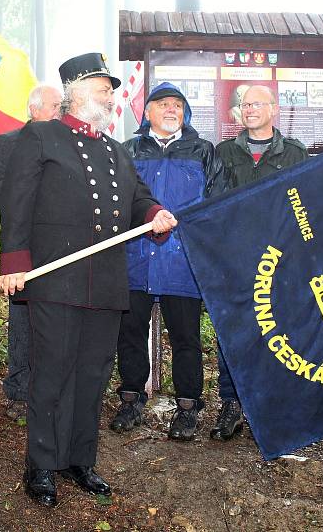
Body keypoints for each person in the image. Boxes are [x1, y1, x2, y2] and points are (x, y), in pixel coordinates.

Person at [0, 52, 177, 508]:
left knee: (92, 376)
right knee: (52, 372)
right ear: (76, 91)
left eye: (111, 89)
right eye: (103, 87)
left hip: (105, 281)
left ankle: (80, 458)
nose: (111, 95)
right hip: (56, 278)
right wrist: (13, 261)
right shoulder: (41, 136)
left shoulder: (115, 149)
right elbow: (17, 202)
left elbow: (138, 197)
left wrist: (154, 213)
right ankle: (41, 464)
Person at [111, 82, 223, 441]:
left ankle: (188, 407)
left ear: (185, 113)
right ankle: (131, 399)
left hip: (183, 262)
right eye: (162, 104)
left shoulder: (203, 151)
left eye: (177, 104)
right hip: (136, 259)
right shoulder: (127, 150)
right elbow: (118, 202)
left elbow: (215, 206)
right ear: (147, 113)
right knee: (130, 333)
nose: (170, 110)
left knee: (186, 337)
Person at [211, 84, 308, 440]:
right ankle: (232, 404)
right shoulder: (222, 152)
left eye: (256, 103)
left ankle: (275, 408)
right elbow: (213, 204)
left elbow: (306, 205)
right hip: (235, 262)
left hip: (281, 264)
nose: (249, 109)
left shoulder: (295, 154)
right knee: (232, 333)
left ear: (274, 109)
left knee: (279, 333)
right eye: (244, 104)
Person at [0, 83, 62, 422]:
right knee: (22, 321)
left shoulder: (66, 144)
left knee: (55, 320)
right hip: (21, 247)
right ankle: (18, 391)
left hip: (60, 250)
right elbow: (2, 193)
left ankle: (50, 391)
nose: (61, 111)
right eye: (56, 105)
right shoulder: (7, 144)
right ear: (35, 109)